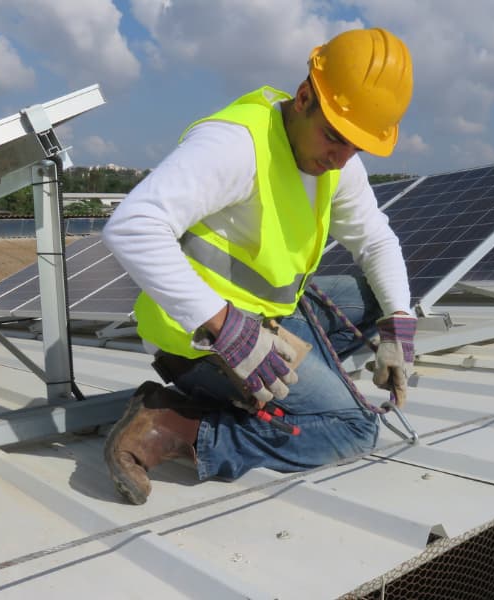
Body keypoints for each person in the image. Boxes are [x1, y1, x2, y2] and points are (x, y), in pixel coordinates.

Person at [101, 27, 417, 505]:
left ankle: (278, 377)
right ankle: (173, 424)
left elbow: (375, 238)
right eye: (335, 137)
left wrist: (398, 324)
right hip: (200, 338)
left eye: (357, 146)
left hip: (274, 315)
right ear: (306, 96)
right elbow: (131, 225)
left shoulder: (338, 159)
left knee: (379, 300)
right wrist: (227, 328)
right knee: (353, 428)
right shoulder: (236, 146)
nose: (342, 158)